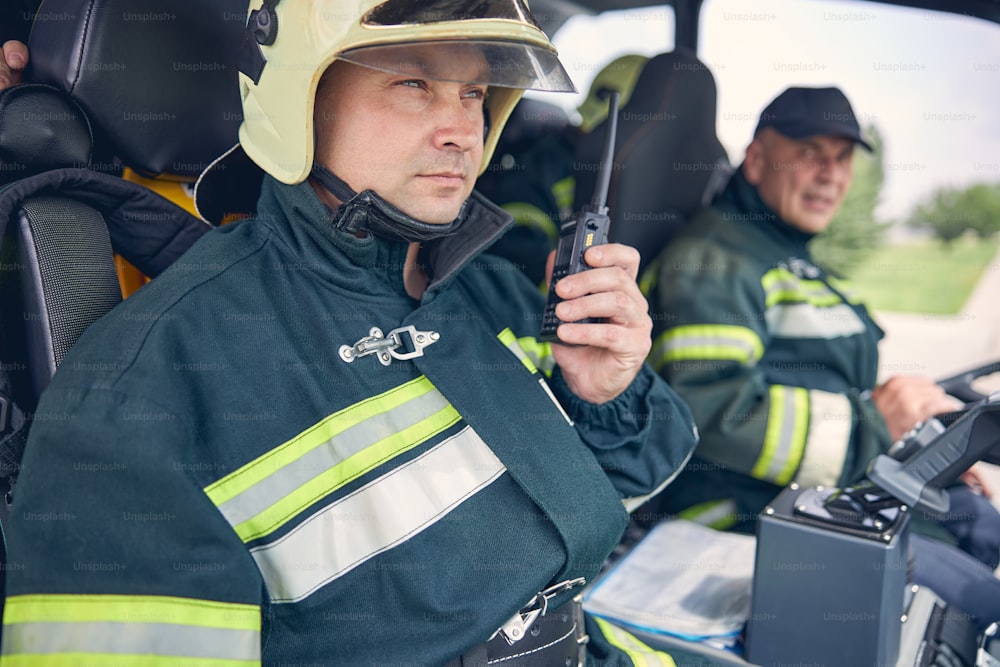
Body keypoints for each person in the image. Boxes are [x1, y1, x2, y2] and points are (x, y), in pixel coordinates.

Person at [1, 1, 698, 665]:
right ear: (300, 102)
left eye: (474, 93)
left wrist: (601, 394)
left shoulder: (489, 291)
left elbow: (595, 515)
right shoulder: (137, 392)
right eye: (413, 83)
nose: (461, 130)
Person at [640, 85, 1000, 625]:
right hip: (733, 508)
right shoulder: (712, 261)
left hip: (823, 486)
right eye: (810, 154)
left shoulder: (786, 257)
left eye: (843, 158)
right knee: (978, 603)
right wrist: (874, 423)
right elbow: (710, 411)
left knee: (980, 523)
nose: (831, 175)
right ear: (758, 160)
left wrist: (923, 450)